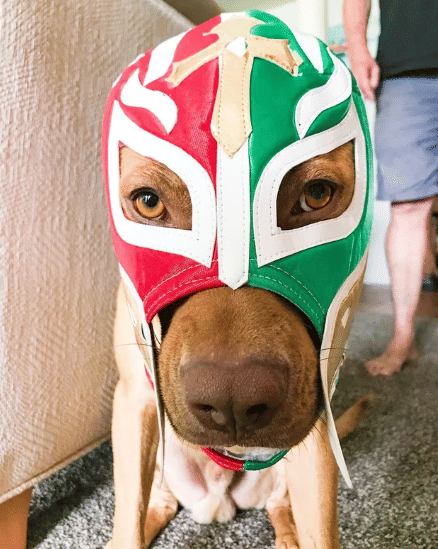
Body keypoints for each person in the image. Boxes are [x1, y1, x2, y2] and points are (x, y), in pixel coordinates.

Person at [344, 0, 438, 376]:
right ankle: (403, 337)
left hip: (405, 78)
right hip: (405, 74)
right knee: (408, 207)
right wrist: (356, 45)